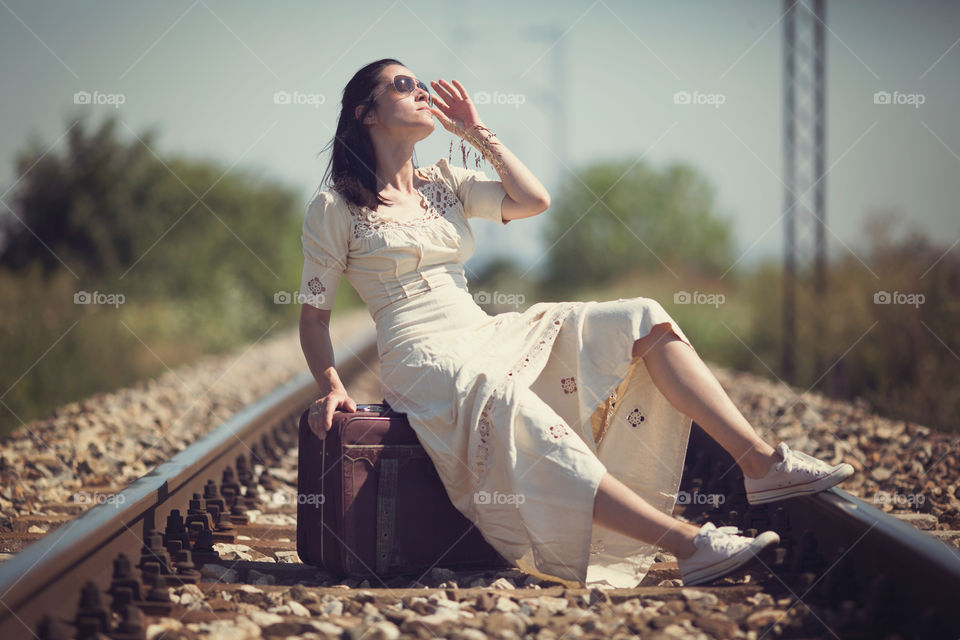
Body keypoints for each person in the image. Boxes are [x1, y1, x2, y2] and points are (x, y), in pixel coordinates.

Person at [298, 58, 855, 588]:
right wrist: (332, 385)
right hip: (423, 357)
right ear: (365, 114)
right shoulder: (335, 207)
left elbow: (533, 199)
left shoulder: (445, 181)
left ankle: (760, 463)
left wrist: (477, 132)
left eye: (420, 82)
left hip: (485, 332)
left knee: (642, 317)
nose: (420, 91)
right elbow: (315, 318)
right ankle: (689, 546)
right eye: (402, 84)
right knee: (507, 402)